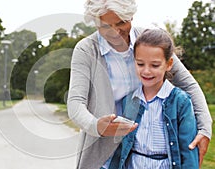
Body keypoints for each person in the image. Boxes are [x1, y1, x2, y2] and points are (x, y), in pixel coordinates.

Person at [67, 0, 212, 169]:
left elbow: (189, 85)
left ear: (131, 16)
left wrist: (205, 129)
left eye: (121, 22)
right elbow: (75, 103)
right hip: (104, 152)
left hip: (145, 146)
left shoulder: (149, 41)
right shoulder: (86, 50)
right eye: (106, 26)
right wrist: (96, 125)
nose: (115, 32)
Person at [110, 28, 199, 168]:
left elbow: (188, 152)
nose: (146, 71)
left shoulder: (180, 102)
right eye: (140, 64)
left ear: (169, 64)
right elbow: (121, 146)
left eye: (155, 65)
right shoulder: (129, 100)